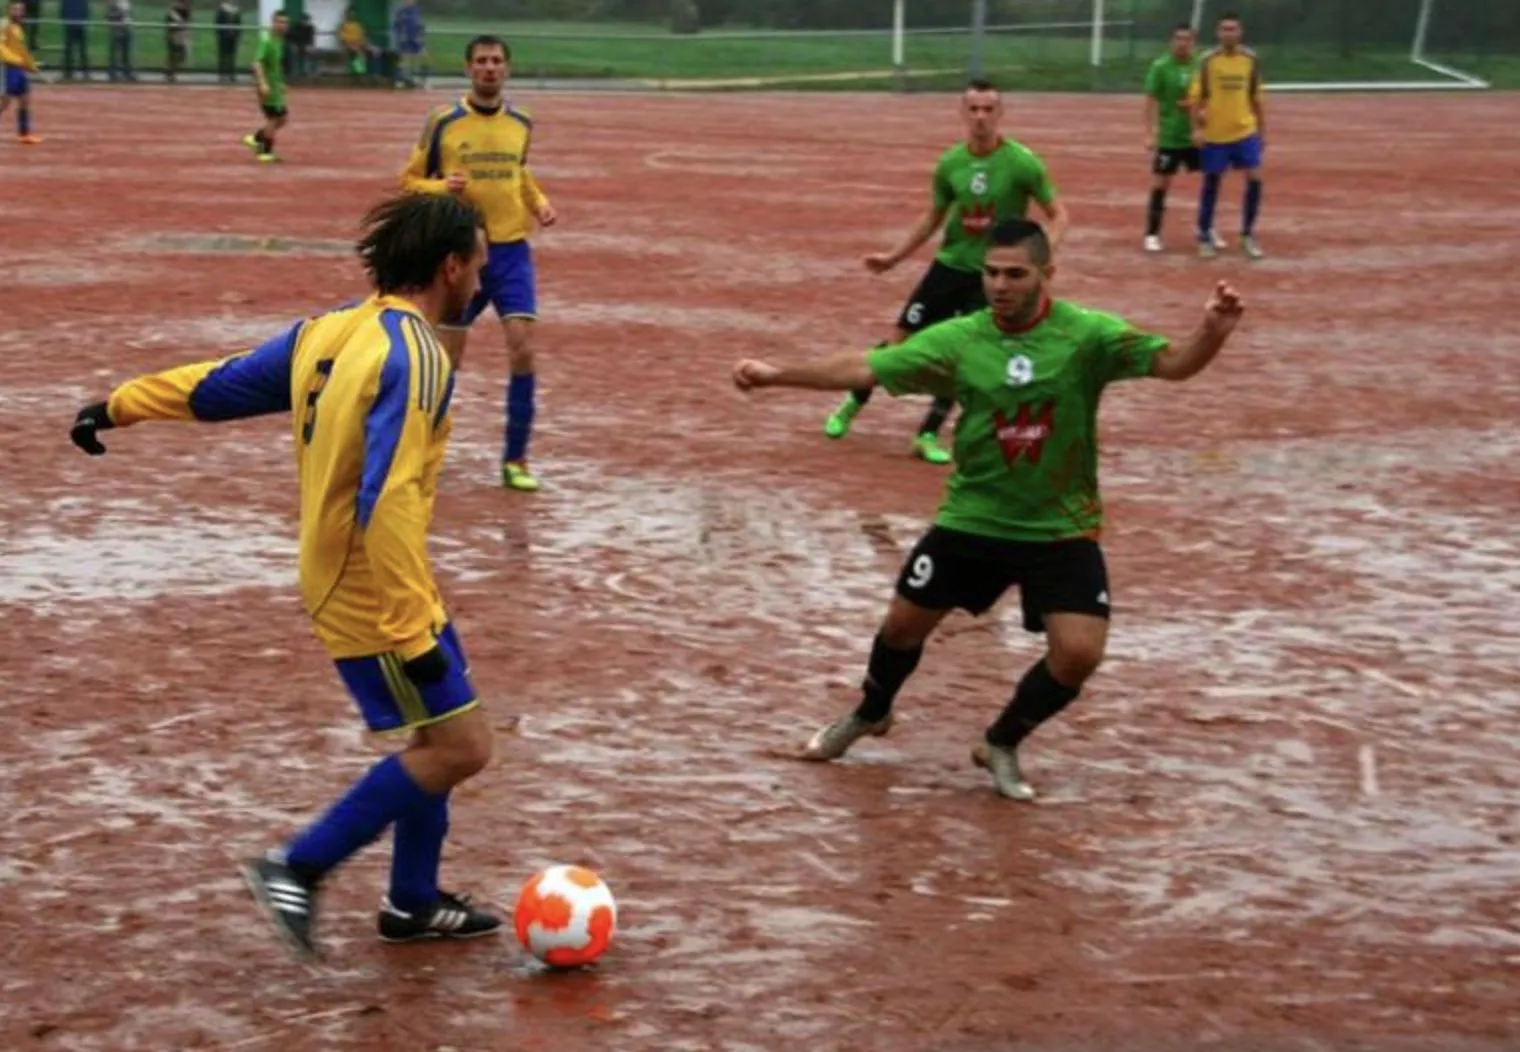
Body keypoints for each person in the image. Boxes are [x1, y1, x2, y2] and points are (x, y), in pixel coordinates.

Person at [66, 193, 503, 960]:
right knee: (461, 747)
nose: (484, 277)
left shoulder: (331, 331)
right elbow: (388, 498)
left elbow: (222, 385)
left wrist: (118, 405)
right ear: (450, 267)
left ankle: (411, 903)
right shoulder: (420, 355)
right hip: (373, 589)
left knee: (434, 733)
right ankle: (296, 867)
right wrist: (410, 629)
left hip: (375, 579)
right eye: (480, 262)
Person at [733, 218, 1245, 801]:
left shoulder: (1088, 336)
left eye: (1014, 274)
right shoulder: (963, 338)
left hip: (1060, 525)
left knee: (1079, 654)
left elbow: (1174, 363)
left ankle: (1000, 741)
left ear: (1046, 275)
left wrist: (1213, 332)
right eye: (991, 273)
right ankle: (871, 712)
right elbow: (864, 367)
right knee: (902, 626)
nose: (999, 285)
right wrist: (777, 376)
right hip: (972, 518)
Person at [823, 79, 1069, 466]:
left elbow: (1059, 215)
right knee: (900, 345)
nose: (981, 117)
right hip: (947, 269)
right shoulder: (951, 163)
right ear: (962, 113)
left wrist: (1040, 259)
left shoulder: (1023, 163)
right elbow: (933, 217)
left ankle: (926, 434)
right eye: (974, 109)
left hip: (990, 278)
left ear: (1000, 114)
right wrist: (894, 257)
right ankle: (852, 403)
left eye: (989, 109)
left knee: (966, 357)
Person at [400, 34, 556, 492]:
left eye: (497, 61)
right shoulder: (443, 121)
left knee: (523, 348)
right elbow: (408, 180)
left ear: (508, 69)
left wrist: (540, 202)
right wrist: (439, 187)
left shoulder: (522, 122)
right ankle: (423, 453)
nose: (490, 68)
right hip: (460, 253)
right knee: (446, 361)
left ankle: (516, 459)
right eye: (482, 61)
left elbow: (518, 173)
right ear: (468, 68)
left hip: (510, 253)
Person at [1190, 12, 1266, 260]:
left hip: (1245, 130)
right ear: (1218, 33)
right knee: (1212, 182)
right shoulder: (1208, 60)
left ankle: (1247, 234)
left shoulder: (1250, 59)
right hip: (1215, 133)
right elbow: (1196, 98)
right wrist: (1197, 129)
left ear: (1240, 32)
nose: (1228, 33)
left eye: (1233, 29)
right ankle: (1204, 235)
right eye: (1224, 29)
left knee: (1255, 179)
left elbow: (1256, 97)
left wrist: (1262, 131)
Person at [1143, 23, 1221, 254]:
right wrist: (1150, 132)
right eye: (1178, 38)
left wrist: (1201, 112)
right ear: (1171, 41)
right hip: (1170, 136)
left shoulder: (1201, 65)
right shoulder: (1161, 66)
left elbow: (1211, 96)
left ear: (1194, 42)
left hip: (1197, 136)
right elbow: (1150, 100)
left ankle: (1206, 229)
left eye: (1187, 39)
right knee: (1160, 184)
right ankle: (1152, 233)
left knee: (1211, 179)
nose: (1182, 43)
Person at [243, 10, 289, 163]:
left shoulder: (278, 41)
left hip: (275, 87)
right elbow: (257, 63)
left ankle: (256, 138)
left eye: (285, 22)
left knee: (282, 119)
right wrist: (262, 83)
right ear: (273, 23)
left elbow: (275, 66)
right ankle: (265, 151)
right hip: (268, 88)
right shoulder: (267, 41)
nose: (283, 26)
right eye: (280, 22)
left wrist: (280, 83)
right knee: (274, 118)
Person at [0, 0, 41, 144]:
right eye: (15, 9)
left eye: (20, 10)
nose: (18, 12)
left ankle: (24, 133)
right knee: (5, 101)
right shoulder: (4, 25)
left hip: (18, 68)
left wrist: (30, 65)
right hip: (8, 66)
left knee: (24, 99)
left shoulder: (17, 27)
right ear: (8, 10)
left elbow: (21, 50)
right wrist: (13, 60)